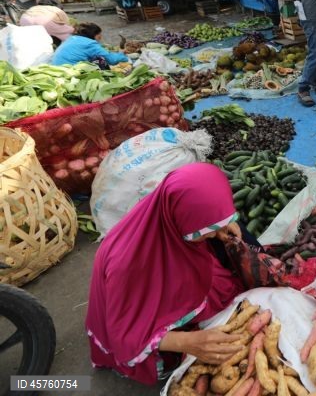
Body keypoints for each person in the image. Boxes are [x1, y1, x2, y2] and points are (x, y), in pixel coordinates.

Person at [86, 163, 246, 385]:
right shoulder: (126, 267)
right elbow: (124, 336)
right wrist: (187, 342)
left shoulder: (164, 214)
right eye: (204, 230)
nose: (210, 235)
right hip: (129, 321)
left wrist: (219, 226)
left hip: (150, 284)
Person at [51, 22, 129, 67]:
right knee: (101, 62)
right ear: (93, 35)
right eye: (99, 36)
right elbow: (112, 60)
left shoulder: (72, 38)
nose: (100, 39)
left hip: (57, 67)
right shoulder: (89, 44)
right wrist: (123, 56)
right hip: (69, 71)